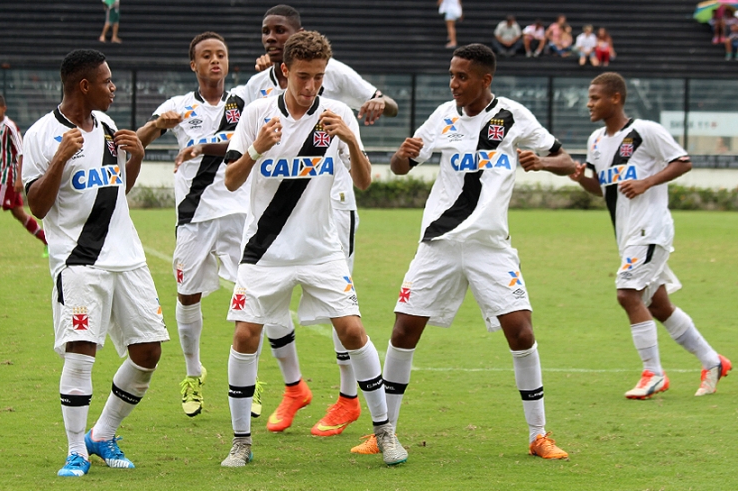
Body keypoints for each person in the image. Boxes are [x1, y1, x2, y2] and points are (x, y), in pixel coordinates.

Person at [351, 43, 574, 459]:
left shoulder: (512, 116)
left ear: (485, 80)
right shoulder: (442, 116)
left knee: (521, 331)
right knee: (403, 330)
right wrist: (401, 156)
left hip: (489, 246)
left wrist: (542, 164)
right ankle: (384, 432)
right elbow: (401, 168)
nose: (453, 83)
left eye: (462, 76)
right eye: (452, 75)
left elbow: (566, 160)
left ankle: (538, 435)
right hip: (439, 243)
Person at [220, 30, 407, 468]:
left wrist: (350, 140)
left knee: (353, 331)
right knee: (245, 335)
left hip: (321, 249)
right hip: (264, 250)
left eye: (319, 77)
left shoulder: (337, 114)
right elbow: (230, 179)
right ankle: (241, 442)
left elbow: (364, 181)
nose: (310, 86)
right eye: (303, 76)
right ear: (285, 71)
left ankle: (385, 432)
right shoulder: (257, 113)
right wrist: (256, 149)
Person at [21, 49, 169, 477]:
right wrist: (59, 159)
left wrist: (136, 157)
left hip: (129, 258)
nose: (113, 87)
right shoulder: (41, 135)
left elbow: (119, 190)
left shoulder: (106, 126)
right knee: (82, 352)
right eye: (106, 81)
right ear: (84, 86)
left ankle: (102, 434)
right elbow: (37, 206)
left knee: (148, 351)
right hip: (80, 261)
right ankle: (75, 451)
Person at [570, 72, 731, 400]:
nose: (589, 103)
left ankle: (653, 373)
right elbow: (601, 189)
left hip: (651, 228)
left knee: (627, 294)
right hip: (627, 233)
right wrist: (580, 178)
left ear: (615, 98)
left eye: (595, 97)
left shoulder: (645, 131)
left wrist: (647, 182)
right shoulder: (596, 140)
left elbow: (682, 162)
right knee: (658, 305)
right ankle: (712, 361)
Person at [136, 32, 247, 419]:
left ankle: (248, 380)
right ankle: (192, 373)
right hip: (193, 218)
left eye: (221, 54)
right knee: (187, 296)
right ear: (193, 65)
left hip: (239, 213)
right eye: (207, 55)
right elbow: (137, 142)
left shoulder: (243, 102)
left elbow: (253, 138)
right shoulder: (179, 106)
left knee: (252, 296)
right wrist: (158, 125)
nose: (215, 60)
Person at [0, 94, 48, 258]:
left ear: (3, 108)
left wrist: (19, 178)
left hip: (8, 175)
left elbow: (21, 152)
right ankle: (48, 242)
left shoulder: (10, 127)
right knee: (19, 213)